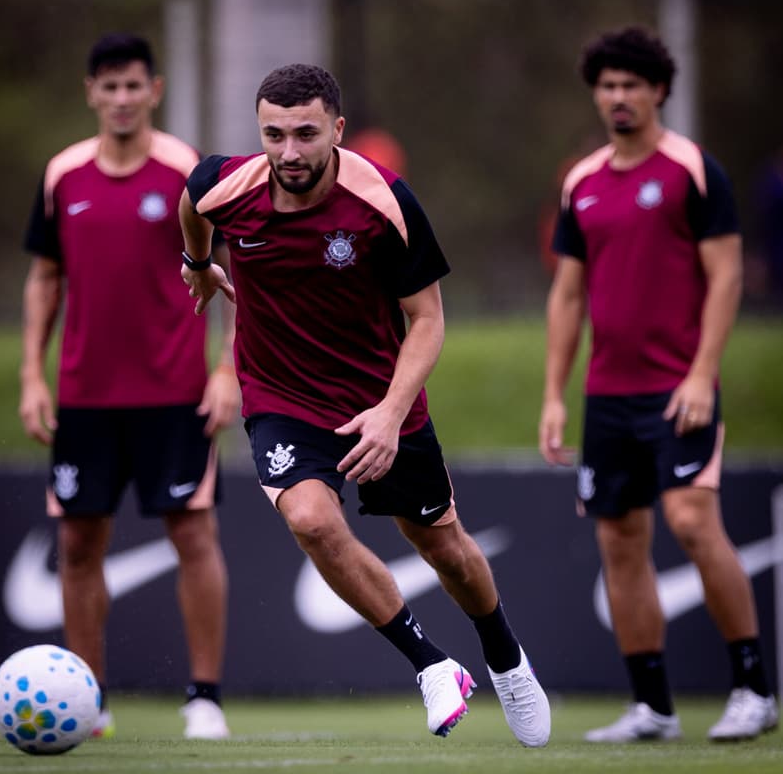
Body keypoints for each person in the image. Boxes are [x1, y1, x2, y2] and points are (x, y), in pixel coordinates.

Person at [177, 62, 551, 747]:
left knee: (441, 544)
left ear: (337, 131)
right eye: (274, 135)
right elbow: (192, 202)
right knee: (313, 522)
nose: (289, 151)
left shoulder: (383, 202)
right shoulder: (225, 185)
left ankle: (505, 657)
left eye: (305, 134)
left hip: (381, 400)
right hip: (279, 394)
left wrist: (387, 413)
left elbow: (430, 321)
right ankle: (431, 665)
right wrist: (199, 264)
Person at [539, 26, 779, 743]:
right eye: (607, 86)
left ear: (659, 91)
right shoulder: (581, 182)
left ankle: (754, 691)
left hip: (679, 388)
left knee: (693, 523)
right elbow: (567, 297)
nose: (617, 97)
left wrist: (704, 373)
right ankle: (653, 708)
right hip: (606, 396)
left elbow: (727, 274)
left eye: (631, 86)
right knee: (619, 540)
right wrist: (555, 393)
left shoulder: (693, 171)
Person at [19, 33, 239, 740]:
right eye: (107, 86)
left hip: (176, 393)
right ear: (90, 93)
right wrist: (32, 373)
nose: (120, 99)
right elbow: (45, 278)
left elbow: (242, 275)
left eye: (132, 86)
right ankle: (90, 703)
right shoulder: (62, 175)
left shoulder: (186, 172)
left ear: (155, 89)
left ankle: (204, 698)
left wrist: (229, 368)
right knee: (79, 546)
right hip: (84, 397)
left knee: (193, 536)